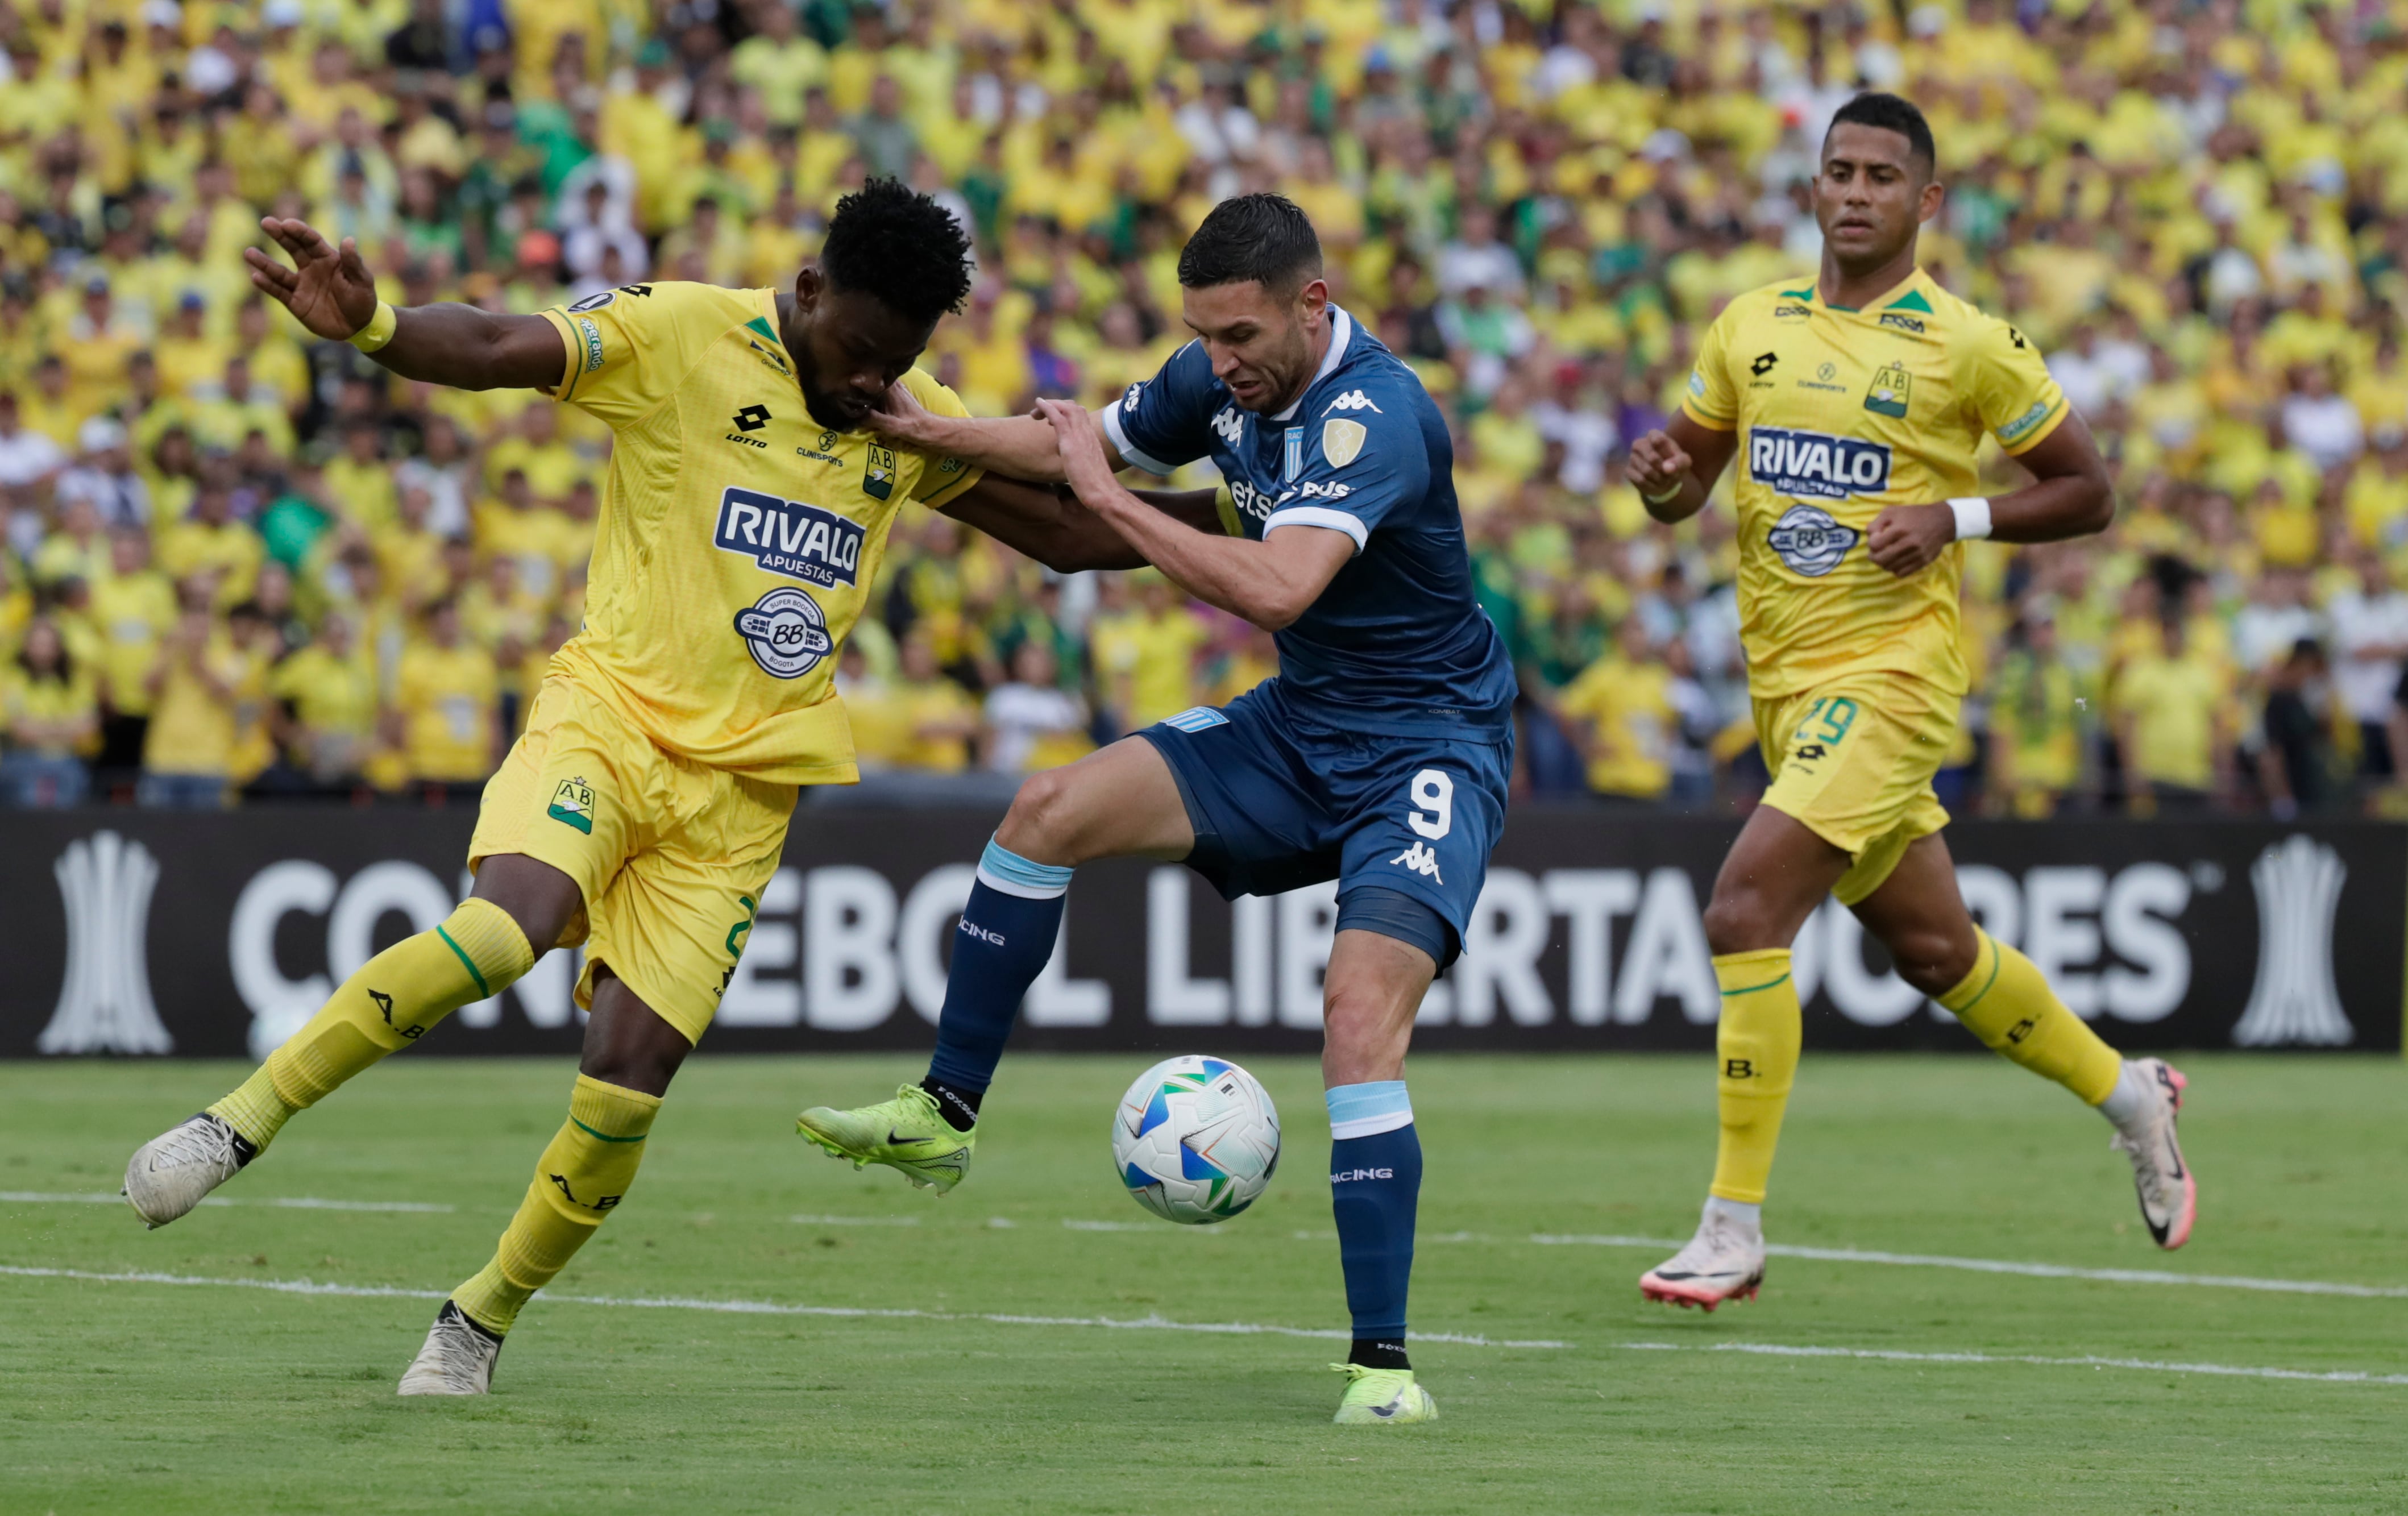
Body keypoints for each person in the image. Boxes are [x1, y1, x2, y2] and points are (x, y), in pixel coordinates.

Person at [121, 180, 1223, 1397]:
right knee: (502, 932)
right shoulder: (683, 332)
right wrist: (377, 328)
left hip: (743, 798)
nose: (872, 381)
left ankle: (475, 1324)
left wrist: (1257, 510)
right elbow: (496, 345)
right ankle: (236, 1123)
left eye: (898, 361)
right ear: (809, 293)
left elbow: (1070, 531)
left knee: (627, 1082)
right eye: (857, 349)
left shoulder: (908, 417)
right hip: (612, 718)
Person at [802, 193, 1516, 1425]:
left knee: (1354, 1015)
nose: (1221, 361)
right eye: (1204, 334)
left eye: (1241, 335)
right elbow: (1077, 451)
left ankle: (1383, 1367)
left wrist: (1107, 497)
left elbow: (1280, 586)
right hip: (1301, 730)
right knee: (1045, 810)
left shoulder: (1375, 416)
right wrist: (930, 427)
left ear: (1314, 303)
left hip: (1426, 750)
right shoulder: (1215, 379)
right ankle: (942, 1112)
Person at [1621, 94, 2195, 1313]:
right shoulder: (1749, 326)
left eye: (1886, 175)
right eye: (1841, 170)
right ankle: (2132, 1096)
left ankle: (1733, 1224)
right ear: (1813, 187)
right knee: (1937, 952)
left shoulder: (1967, 342)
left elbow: (2089, 491)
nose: (1858, 191)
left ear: (1927, 202)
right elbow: (1683, 488)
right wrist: (1665, 484)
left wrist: (1957, 515)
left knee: (1743, 909)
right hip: (1785, 687)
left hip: (1892, 680)